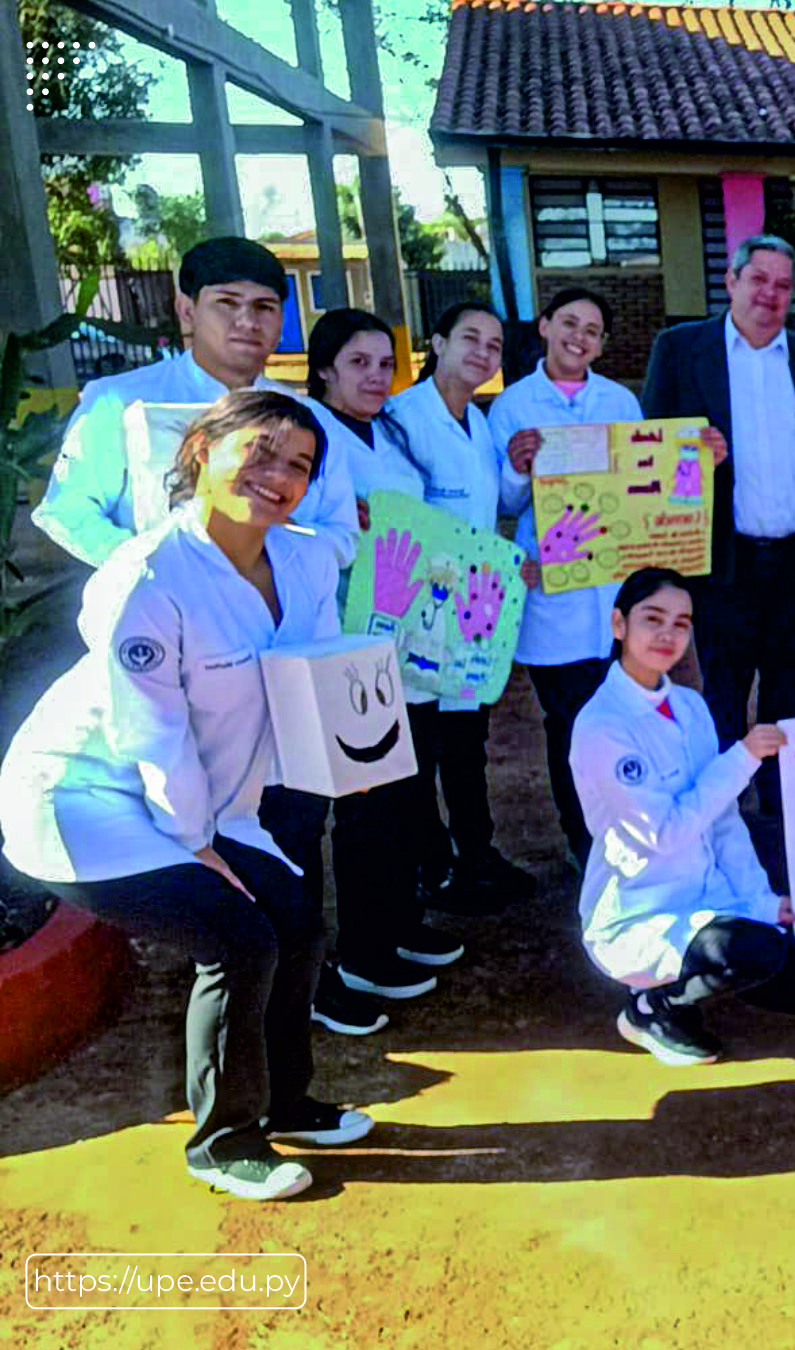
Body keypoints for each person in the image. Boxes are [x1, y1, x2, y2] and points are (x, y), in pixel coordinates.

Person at [0, 391, 371, 1201]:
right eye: (260, 451)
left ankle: (284, 1101)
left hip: (207, 794)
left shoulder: (304, 559)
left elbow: (305, 672)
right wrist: (199, 842)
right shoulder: (145, 576)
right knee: (238, 937)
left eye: (300, 466)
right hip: (85, 797)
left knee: (298, 916)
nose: (279, 476)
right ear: (202, 448)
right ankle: (223, 1141)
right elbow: (151, 732)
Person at [261, 309, 465, 1025]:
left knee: (405, 792)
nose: (376, 376)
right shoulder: (305, 435)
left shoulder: (391, 432)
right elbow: (278, 527)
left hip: (408, 639)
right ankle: (359, 954)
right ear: (323, 369)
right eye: (359, 363)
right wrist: (342, 523)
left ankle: (397, 927)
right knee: (362, 805)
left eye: (386, 363)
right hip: (342, 645)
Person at [489, 287, 727, 870]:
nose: (579, 336)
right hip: (556, 589)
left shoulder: (619, 399)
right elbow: (503, 499)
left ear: (601, 343)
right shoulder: (512, 406)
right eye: (569, 322)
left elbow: (643, 483)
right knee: (569, 724)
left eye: (592, 330)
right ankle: (584, 840)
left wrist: (700, 460)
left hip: (614, 591)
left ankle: (639, 826)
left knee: (628, 713)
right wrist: (519, 468)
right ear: (544, 326)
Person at [568, 568, 795, 1066]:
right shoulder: (602, 726)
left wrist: (761, 902)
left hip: (708, 899)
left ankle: (708, 969)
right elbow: (664, 834)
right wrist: (742, 758)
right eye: (653, 619)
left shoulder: (689, 706)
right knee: (751, 953)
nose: (668, 635)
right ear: (619, 624)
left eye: (682, 624)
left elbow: (724, 820)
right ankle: (652, 1007)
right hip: (641, 911)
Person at [640, 234, 795, 818]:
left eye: (783, 285)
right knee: (725, 689)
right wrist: (688, 453)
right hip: (721, 559)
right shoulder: (681, 351)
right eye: (759, 279)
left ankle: (780, 803)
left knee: (786, 685)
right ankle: (723, 808)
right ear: (731, 281)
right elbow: (649, 451)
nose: (770, 294)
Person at [32, 236, 358, 569]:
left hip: (279, 612)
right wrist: (154, 567)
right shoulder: (119, 401)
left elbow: (342, 535)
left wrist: (268, 556)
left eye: (264, 307)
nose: (247, 321)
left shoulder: (312, 419)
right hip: (159, 610)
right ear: (187, 311)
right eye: (227, 303)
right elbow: (67, 511)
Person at [389, 302, 536, 907]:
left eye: (494, 345)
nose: (483, 352)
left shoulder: (478, 422)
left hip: (474, 611)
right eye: (470, 338)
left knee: (467, 741)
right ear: (438, 342)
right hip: (420, 610)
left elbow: (497, 500)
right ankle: (433, 863)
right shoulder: (403, 417)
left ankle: (477, 851)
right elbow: (405, 513)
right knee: (422, 747)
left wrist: (523, 470)